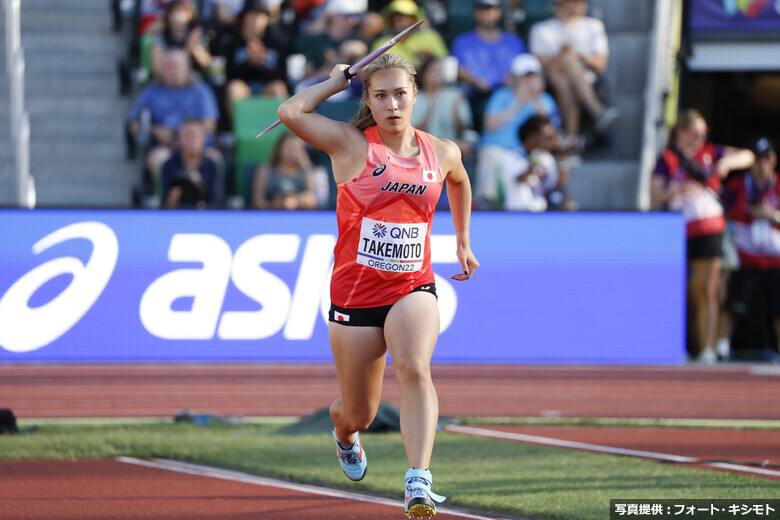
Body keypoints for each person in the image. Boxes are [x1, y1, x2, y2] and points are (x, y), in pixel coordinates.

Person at [276, 52, 478, 517]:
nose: (392, 105)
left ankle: (418, 481)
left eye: (400, 94)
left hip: (411, 286)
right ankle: (344, 433)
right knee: (359, 412)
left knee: (413, 366)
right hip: (354, 296)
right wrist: (334, 82)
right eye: (381, 95)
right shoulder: (349, 145)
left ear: (415, 96)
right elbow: (290, 112)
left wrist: (463, 240)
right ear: (368, 98)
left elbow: (459, 180)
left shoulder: (440, 151)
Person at [650, 109, 754, 363]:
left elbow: (747, 156)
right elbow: (655, 194)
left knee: (707, 290)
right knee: (681, 292)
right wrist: (680, 187)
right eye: (695, 133)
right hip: (679, 229)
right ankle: (682, 347)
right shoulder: (668, 158)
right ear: (681, 132)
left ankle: (707, 350)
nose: (699, 139)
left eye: (703, 134)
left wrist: (728, 163)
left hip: (709, 227)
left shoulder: (709, 153)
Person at [475, 53, 560, 209]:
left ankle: (548, 202)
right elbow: (489, 125)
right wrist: (518, 103)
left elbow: (552, 129)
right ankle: (486, 202)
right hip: (500, 150)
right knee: (490, 154)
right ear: (515, 78)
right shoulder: (501, 95)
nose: (527, 81)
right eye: (524, 77)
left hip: (529, 153)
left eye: (532, 76)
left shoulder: (545, 100)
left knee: (544, 160)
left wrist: (536, 98)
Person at [722, 137, 780, 360]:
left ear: (773, 161)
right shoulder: (737, 186)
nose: (761, 164)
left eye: (766, 159)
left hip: (775, 259)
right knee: (732, 305)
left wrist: (771, 216)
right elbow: (722, 214)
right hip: (744, 257)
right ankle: (721, 348)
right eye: (757, 159)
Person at [528, 0, 617, 138]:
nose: (581, 4)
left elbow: (600, 64)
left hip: (580, 80)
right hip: (550, 78)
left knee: (565, 80)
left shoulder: (594, 26)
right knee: (567, 60)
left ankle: (569, 140)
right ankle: (597, 111)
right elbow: (539, 64)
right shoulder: (540, 29)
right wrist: (563, 55)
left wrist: (577, 55)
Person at [127, 49, 220, 179]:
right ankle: (165, 197)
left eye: (175, 67)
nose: (172, 71)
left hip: (198, 148)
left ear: (187, 67)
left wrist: (185, 136)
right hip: (166, 148)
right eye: (168, 67)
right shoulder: (150, 92)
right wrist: (154, 130)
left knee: (215, 159)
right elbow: (133, 125)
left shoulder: (201, 90)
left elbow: (210, 124)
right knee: (157, 159)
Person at [450, 0, 526, 133]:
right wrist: (476, 81)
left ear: (498, 12)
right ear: (475, 13)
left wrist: (510, 79)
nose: (487, 14)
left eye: (490, 9)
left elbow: (523, 67)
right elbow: (459, 70)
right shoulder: (462, 41)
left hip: (507, 86)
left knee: (526, 87)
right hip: (474, 88)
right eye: (482, 10)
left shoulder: (514, 41)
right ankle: (466, 134)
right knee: (457, 93)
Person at [506, 113, 576, 212]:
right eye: (547, 137)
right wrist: (533, 165)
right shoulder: (511, 156)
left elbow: (559, 184)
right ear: (532, 136)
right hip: (518, 214)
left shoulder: (545, 158)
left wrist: (563, 157)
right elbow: (520, 179)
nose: (551, 141)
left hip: (541, 215)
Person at [161, 118, 223, 208]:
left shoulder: (211, 166)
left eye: (194, 136)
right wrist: (171, 201)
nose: (191, 140)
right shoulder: (169, 166)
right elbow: (164, 203)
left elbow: (216, 201)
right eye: (187, 136)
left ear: (203, 139)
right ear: (179, 139)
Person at [251, 132, 323, 209]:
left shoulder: (307, 171)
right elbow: (257, 200)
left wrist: (295, 200)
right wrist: (273, 207)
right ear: (279, 148)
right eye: (290, 148)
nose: (293, 153)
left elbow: (311, 199)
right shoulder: (265, 170)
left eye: (297, 148)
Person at [371, 0, 448, 69]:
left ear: (413, 19)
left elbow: (445, 64)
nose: (398, 19)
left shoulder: (430, 36)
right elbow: (372, 68)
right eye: (394, 15)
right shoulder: (381, 42)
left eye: (403, 15)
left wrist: (431, 59)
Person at [150, 0, 212, 79]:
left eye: (181, 12)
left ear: (190, 14)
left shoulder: (195, 35)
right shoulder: (160, 36)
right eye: (173, 12)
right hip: (165, 81)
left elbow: (207, 65)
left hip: (190, 81)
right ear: (167, 15)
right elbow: (157, 69)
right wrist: (187, 49)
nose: (177, 16)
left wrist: (196, 49)